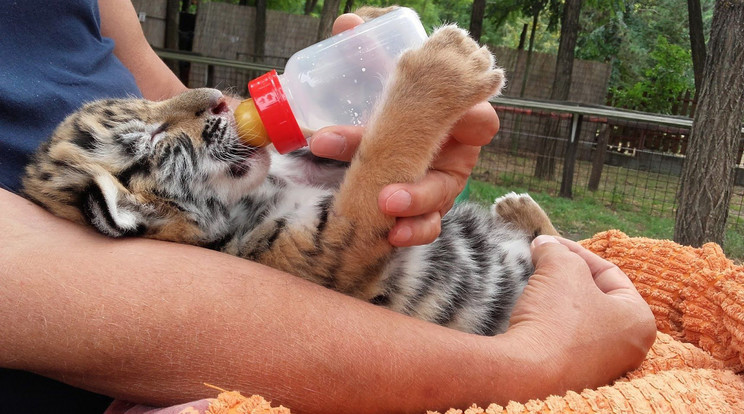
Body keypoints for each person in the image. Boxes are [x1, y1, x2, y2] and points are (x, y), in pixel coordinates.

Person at [0, 1, 656, 413]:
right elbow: (337, 253)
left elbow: (142, 69)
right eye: (154, 131)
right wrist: (539, 361)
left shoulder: (198, 186)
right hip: (188, 351)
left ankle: (535, 241)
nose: (202, 101)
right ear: (132, 214)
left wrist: (349, 92)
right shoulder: (181, 230)